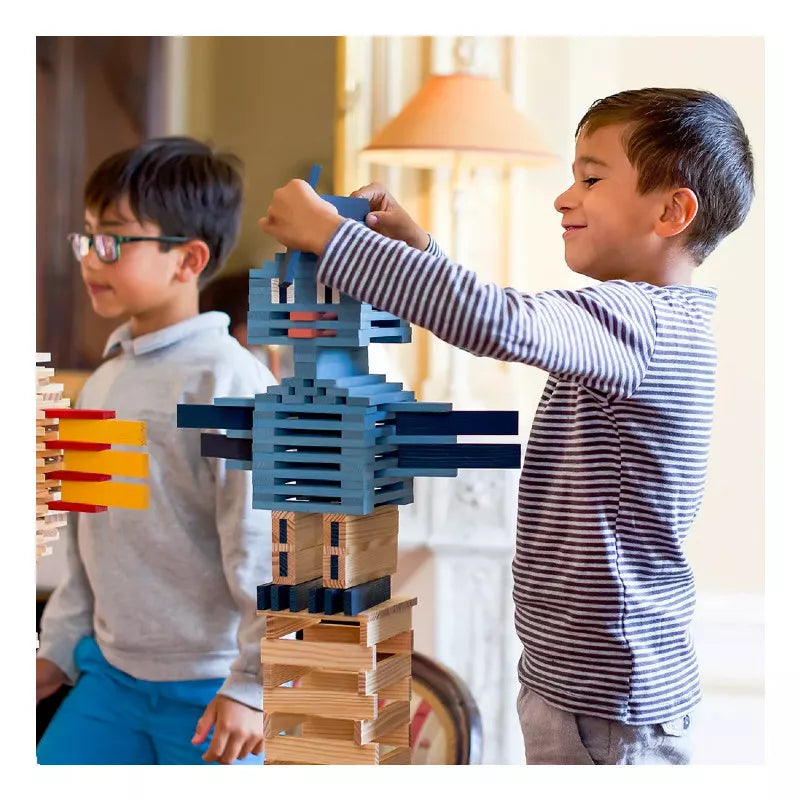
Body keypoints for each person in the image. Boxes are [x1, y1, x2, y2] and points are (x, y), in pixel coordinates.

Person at [257, 88, 755, 765]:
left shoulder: (643, 323)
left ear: (672, 210)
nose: (564, 197)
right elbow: (494, 312)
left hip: (609, 705)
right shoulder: (646, 321)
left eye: (591, 178)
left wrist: (332, 239)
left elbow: (496, 319)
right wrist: (420, 249)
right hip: (578, 687)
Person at [36, 136, 277, 765]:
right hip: (110, 679)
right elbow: (88, 535)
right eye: (86, 237)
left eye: (113, 240)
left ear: (188, 260)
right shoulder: (105, 379)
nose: (91, 258)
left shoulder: (231, 383)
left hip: (213, 691)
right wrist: (58, 649)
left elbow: (262, 543)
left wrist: (254, 684)